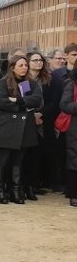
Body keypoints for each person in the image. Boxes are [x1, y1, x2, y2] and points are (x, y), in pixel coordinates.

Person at [0, 55, 43, 204]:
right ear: (12, 67)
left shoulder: (28, 83)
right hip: (6, 126)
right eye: (21, 65)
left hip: (24, 127)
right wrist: (21, 105)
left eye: (25, 65)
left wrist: (17, 100)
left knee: (18, 161)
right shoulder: (3, 82)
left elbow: (36, 99)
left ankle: (15, 190)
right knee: (2, 161)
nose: (24, 67)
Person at [25, 51, 53, 198]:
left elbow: (54, 101)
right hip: (26, 120)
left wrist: (41, 114)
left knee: (38, 154)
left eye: (40, 60)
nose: (38, 62)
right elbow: (26, 100)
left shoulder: (48, 80)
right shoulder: (24, 80)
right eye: (35, 60)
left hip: (44, 120)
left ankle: (34, 184)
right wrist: (32, 115)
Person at [56, 66, 77, 207]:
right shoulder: (71, 84)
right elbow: (64, 105)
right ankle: (74, 194)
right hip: (75, 128)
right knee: (74, 160)